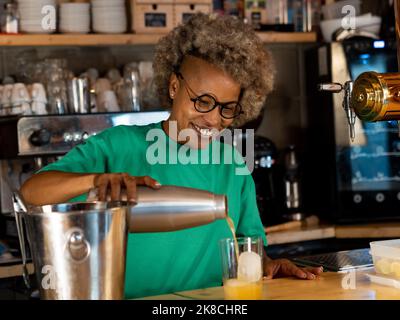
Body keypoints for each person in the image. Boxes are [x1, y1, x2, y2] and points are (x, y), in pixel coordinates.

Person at [20, 13, 322, 299]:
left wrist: (269, 264)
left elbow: (248, 248)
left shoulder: (233, 164)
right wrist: (96, 179)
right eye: (203, 101)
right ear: (175, 86)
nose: (213, 120)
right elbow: (33, 192)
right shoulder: (120, 146)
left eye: (226, 108)